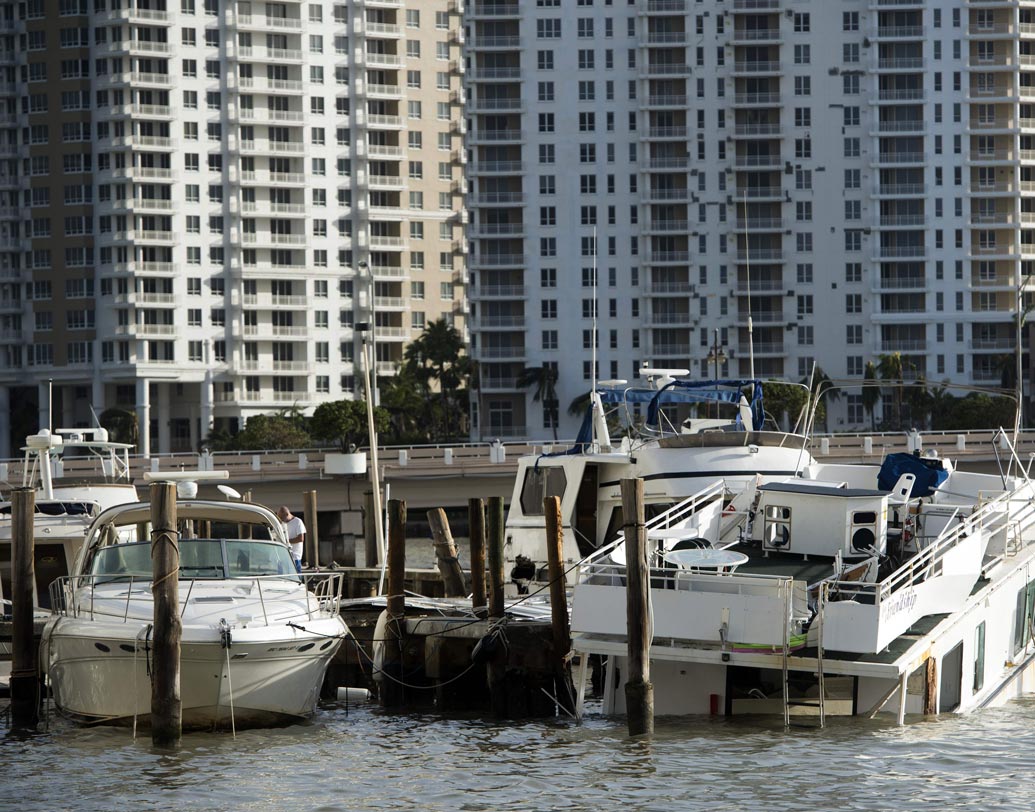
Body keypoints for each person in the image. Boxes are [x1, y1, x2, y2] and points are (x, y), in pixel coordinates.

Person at [277, 506, 306, 573]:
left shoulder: (298, 521)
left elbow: (301, 538)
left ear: (287, 514)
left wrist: (286, 541)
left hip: (295, 557)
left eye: (281, 518)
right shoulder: (283, 523)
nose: (280, 520)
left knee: (296, 578)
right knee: (281, 578)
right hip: (283, 556)